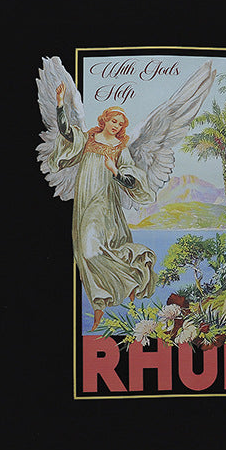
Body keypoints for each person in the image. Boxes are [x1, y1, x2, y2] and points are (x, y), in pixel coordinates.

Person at [51, 82, 157, 332]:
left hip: (104, 204)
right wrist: (60, 104)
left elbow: (131, 179)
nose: (116, 126)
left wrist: (115, 171)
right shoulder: (88, 138)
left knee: (92, 252)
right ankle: (99, 303)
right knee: (83, 252)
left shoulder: (120, 149)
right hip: (85, 200)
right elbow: (66, 132)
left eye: (120, 124)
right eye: (113, 121)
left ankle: (130, 278)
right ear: (105, 120)